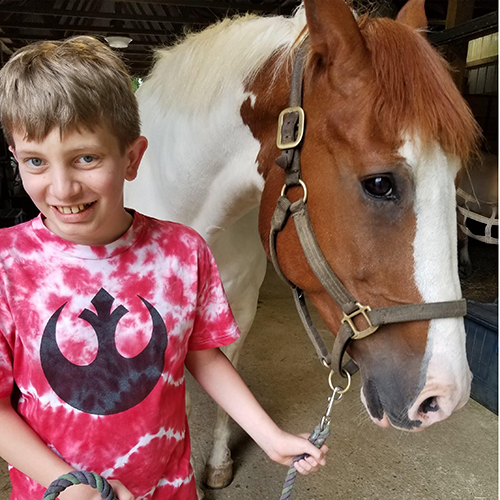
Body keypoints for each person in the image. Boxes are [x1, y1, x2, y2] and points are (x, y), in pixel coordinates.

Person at [0, 36, 327, 500]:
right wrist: (68, 483)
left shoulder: (182, 252)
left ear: (132, 157)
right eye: (36, 161)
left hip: (167, 486)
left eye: (86, 158)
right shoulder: (8, 265)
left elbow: (203, 353)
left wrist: (267, 435)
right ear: (15, 158)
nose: (62, 188)